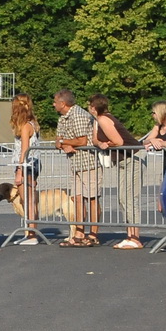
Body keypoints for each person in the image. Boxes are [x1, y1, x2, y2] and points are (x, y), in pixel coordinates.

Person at [89, 95, 142, 250]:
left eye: (90, 105)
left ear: (94, 107)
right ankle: (130, 235)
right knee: (122, 198)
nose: (88, 108)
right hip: (123, 160)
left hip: (132, 158)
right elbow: (94, 140)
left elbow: (118, 142)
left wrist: (107, 144)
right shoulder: (97, 120)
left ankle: (135, 238)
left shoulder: (104, 120)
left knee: (128, 198)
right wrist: (101, 143)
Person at [53, 90, 99, 247]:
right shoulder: (63, 118)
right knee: (77, 198)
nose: (53, 104)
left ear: (63, 103)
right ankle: (79, 233)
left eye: (55, 102)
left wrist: (64, 142)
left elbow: (82, 141)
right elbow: (57, 140)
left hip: (89, 163)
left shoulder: (78, 115)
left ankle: (93, 234)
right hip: (75, 164)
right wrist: (63, 144)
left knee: (91, 198)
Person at [8, 95, 41, 245]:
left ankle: (32, 234)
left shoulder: (26, 126)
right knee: (28, 199)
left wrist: (19, 171)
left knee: (27, 200)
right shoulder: (32, 123)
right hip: (33, 163)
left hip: (26, 165)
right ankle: (29, 232)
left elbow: (24, 150)